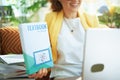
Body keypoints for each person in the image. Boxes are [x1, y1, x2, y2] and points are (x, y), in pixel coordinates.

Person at [29, 0, 106, 80]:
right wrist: (40, 66)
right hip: (63, 75)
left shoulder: (91, 19)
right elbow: (41, 48)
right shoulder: (50, 19)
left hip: (90, 75)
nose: (75, 0)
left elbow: (102, 47)